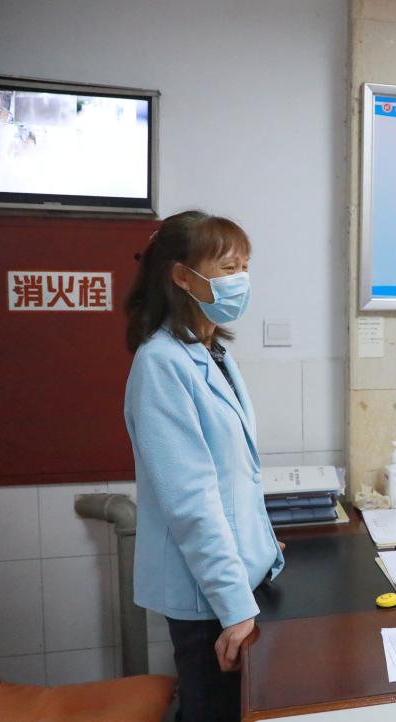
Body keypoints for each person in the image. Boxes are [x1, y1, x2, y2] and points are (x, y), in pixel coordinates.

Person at [123, 211, 285, 722]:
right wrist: (234, 608)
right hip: (208, 598)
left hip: (232, 578)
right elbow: (191, 501)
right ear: (181, 276)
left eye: (245, 266)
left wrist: (259, 544)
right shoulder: (161, 363)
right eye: (228, 268)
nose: (241, 280)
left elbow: (233, 477)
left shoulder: (211, 352)